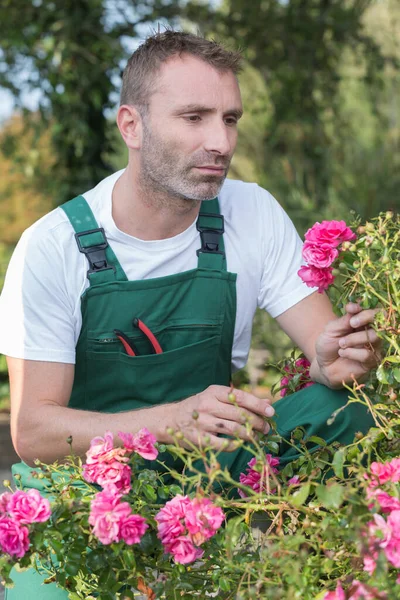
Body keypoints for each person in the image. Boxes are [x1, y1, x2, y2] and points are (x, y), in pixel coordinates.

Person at [0, 31, 379, 599]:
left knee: (345, 409)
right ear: (132, 125)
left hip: (206, 466)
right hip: (81, 483)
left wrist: (335, 360)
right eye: (194, 117)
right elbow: (32, 431)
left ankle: (335, 566)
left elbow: (328, 363)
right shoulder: (53, 246)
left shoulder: (250, 211)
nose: (220, 141)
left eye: (230, 119)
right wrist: (171, 420)